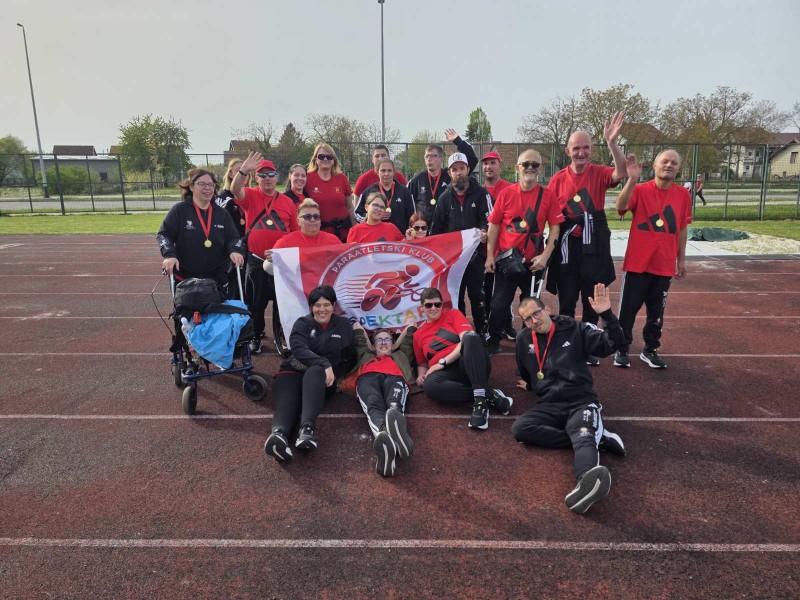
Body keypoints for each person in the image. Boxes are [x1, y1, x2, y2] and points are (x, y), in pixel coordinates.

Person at [512, 286, 626, 514]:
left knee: (583, 438)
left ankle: (586, 482)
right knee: (520, 429)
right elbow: (525, 369)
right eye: (527, 319)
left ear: (547, 309)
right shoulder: (523, 338)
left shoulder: (574, 329)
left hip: (579, 402)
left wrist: (606, 315)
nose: (534, 321)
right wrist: (532, 385)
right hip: (548, 404)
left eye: (536, 314)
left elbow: (612, 344)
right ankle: (597, 437)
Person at [546, 113, 627, 366]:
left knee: (592, 299)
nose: (581, 153)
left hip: (594, 245)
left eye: (586, 148)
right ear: (567, 151)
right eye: (576, 148)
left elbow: (621, 171)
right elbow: (549, 213)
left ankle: (589, 344)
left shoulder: (599, 172)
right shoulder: (557, 179)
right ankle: (567, 344)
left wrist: (612, 143)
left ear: (591, 149)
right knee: (567, 299)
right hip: (568, 246)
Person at [614, 151, 691, 369]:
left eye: (674, 163)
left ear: (678, 169)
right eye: (664, 161)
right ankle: (622, 347)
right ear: (655, 165)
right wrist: (632, 180)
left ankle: (650, 350)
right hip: (638, 263)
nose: (669, 165)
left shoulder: (683, 195)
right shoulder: (640, 190)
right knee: (628, 310)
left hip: (664, 265)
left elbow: (682, 229)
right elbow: (620, 207)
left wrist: (681, 260)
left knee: (657, 313)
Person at [484, 150, 564, 355]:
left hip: (534, 263)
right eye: (526, 164)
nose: (530, 168)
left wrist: (545, 257)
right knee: (499, 304)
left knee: (531, 307)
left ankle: (528, 340)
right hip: (507, 262)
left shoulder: (548, 195)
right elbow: (494, 225)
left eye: (534, 165)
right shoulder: (506, 194)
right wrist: (490, 255)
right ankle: (493, 338)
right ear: (517, 168)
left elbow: (555, 228)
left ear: (540, 168)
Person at [263, 285, 354, 461]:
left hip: (322, 380)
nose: (322, 309)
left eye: (326, 304)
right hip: (294, 371)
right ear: (311, 307)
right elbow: (297, 348)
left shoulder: (343, 325)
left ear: (334, 306)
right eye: (317, 305)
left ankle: (307, 430)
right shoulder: (302, 323)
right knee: (288, 399)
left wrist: (337, 375)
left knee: (315, 371)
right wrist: (324, 362)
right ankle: (278, 436)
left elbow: (348, 355)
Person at [413, 287, 512, 430]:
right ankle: (489, 395)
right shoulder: (418, 335)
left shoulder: (453, 314)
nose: (433, 308)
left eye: (437, 304)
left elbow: (467, 338)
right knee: (430, 386)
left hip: (468, 362)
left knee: (471, 337)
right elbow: (422, 363)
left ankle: (480, 405)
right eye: (428, 305)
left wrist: (442, 362)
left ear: (442, 305)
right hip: (447, 374)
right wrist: (421, 375)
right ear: (422, 308)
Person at [231, 152, 299, 354]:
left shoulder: (287, 202)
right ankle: (256, 334)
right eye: (262, 175)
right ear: (256, 178)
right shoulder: (251, 195)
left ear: (277, 177)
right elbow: (235, 189)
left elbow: (294, 233)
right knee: (256, 302)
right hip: (256, 259)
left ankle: (283, 332)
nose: (267, 178)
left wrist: (284, 253)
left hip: (281, 261)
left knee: (283, 300)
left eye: (271, 174)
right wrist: (244, 169)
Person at [430, 152, 490, 336]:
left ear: (468, 169)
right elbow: (436, 229)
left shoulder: (481, 194)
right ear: (449, 172)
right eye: (454, 169)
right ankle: (462, 331)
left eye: (461, 168)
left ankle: (482, 331)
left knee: (477, 295)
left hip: (476, 256)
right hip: (454, 259)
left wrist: (484, 231)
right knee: (456, 296)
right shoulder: (444, 198)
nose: (458, 172)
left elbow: (489, 219)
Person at [158, 168, 244, 290]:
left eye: (210, 184)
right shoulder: (180, 210)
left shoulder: (222, 214)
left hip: (217, 278)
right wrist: (169, 255)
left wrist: (235, 250)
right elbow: (164, 234)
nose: (207, 188)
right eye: (202, 184)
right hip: (185, 278)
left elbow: (233, 237)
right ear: (191, 187)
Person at [349, 324, 417, 477]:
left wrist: (393, 346)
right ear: (373, 345)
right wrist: (373, 347)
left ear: (393, 343)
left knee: (394, 406)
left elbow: (411, 326)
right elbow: (356, 326)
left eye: (387, 340)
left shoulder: (402, 354)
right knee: (373, 403)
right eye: (379, 340)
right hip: (367, 378)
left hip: (395, 377)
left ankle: (387, 439)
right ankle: (387, 437)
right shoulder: (365, 355)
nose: (384, 343)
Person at [480, 150, 515, 341]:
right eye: (485, 163)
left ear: (500, 165)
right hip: (485, 250)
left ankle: (507, 324)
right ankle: (489, 324)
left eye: (493, 163)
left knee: (505, 291)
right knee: (486, 290)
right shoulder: (478, 192)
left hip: (505, 249)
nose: (489, 167)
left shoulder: (510, 189)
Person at [407, 129, 478, 222]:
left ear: (442, 159)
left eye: (433, 156)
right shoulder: (417, 180)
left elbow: (472, 159)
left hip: (447, 226)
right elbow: (408, 205)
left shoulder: (451, 175)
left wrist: (457, 141)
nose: (429, 159)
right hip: (424, 228)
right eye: (426, 156)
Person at [306, 143, 354, 241]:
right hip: (319, 234)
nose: (325, 159)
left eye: (329, 157)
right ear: (315, 159)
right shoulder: (307, 178)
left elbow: (349, 206)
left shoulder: (342, 178)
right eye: (321, 156)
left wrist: (355, 228)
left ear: (333, 160)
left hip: (344, 232)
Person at [353, 159, 415, 235]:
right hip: (375, 237)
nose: (386, 174)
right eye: (383, 170)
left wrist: (409, 235)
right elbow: (357, 214)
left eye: (389, 170)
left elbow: (413, 216)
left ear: (394, 172)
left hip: (399, 238)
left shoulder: (405, 192)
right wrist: (372, 216)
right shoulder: (369, 192)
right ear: (377, 172)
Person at [216, 158, 247, 237]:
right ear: (230, 174)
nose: (243, 173)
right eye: (238, 170)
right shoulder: (221, 198)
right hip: (231, 241)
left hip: (250, 240)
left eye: (246, 170)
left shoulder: (254, 195)